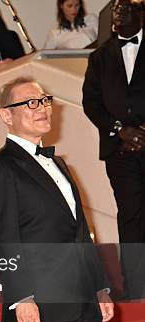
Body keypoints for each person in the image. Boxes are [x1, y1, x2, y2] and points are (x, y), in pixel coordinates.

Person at [0, 77, 118, 322]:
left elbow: (80, 230)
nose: (41, 108)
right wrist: (21, 297)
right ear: (6, 115)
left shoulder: (59, 163)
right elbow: (3, 237)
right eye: (30, 102)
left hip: (82, 290)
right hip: (40, 297)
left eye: (44, 101)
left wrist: (100, 287)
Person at [82, 0, 145, 299]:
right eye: (116, 10)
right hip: (119, 151)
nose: (119, 14)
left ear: (141, 15)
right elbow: (91, 102)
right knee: (130, 216)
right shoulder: (99, 57)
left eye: (126, 10)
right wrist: (120, 129)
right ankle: (135, 288)